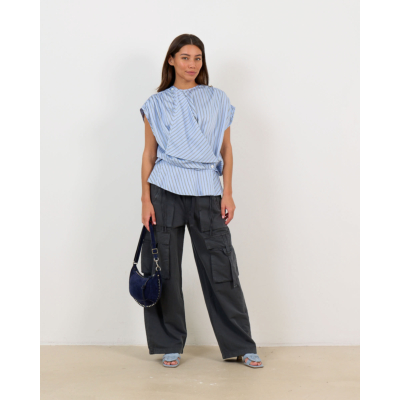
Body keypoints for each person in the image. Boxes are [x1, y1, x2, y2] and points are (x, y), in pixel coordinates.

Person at [139, 34, 263, 369]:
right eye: (185, 57)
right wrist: (145, 199)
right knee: (163, 268)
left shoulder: (217, 99)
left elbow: (226, 149)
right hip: (164, 190)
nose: (192, 64)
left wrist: (228, 191)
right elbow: (149, 155)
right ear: (171, 60)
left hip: (207, 189)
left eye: (197, 58)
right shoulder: (155, 103)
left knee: (221, 267)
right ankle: (169, 343)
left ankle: (241, 344)